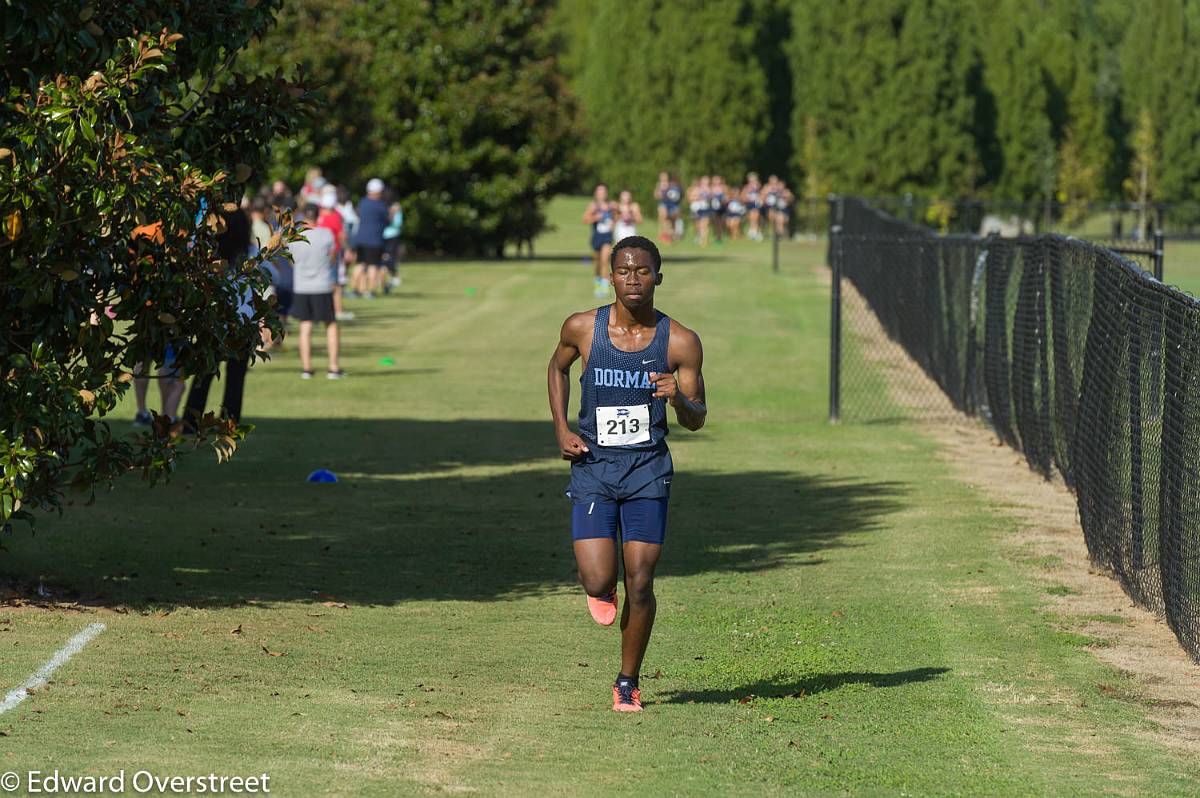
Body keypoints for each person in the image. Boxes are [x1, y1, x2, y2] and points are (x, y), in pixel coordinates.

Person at [547, 235, 707, 713]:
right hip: (594, 467)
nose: (633, 280)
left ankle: (627, 681)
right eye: (623, 271)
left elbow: (697, 417)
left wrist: (678, 397)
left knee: (641, 582)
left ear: (659, 276)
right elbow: (556, 370)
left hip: (647, 470)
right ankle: (601, 585)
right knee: (599, 582)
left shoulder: (680, 341)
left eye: (642, 271)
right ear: (610, 275)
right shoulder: (582, 328)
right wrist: (561, 428)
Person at [182, 208, 255, 428]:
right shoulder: (250, 252)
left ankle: (190, 420)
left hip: (214, 318)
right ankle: (230, 420)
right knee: (235, 376)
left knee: (203, 374)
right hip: (243, 319)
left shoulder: (208, 255)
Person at [290, 204, 346, 379]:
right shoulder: (326, 234)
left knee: (305, 326)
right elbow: (332, 257)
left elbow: (291, 261)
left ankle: (307, 368)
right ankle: (333, 367)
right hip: (322, 285)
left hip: (302, 286)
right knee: (330, 325)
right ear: (317, 215)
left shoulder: (294, 238)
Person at [317, 188, 353, 322]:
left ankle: (322, 310)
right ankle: (338, 311)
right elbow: (342, 236)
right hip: (333, 253)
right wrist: (348, 249)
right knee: (335, 283)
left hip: (318, 253)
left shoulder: (318, 215)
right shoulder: (336, 216)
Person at [353, 178, 390, 298]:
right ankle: (371, 291)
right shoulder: (380, 205)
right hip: (374, 240)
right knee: (373, 265)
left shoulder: (362, 202)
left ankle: (355, 289)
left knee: (360, 264)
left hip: (360, 238)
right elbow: (387, 220)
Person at [582, 183, 616, 298]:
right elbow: (585, 219)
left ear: (606, 193)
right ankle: (597, 282)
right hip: (597, 236)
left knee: (605, 260)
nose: (601, 194)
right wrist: (596, 217)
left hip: (607, 236)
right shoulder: (593, 206)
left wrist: (613, 224)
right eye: (599, 192)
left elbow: (617, 217)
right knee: (597, 262)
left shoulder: (612, 205)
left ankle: (604, 286)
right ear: (596, 194)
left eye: (603, 192)